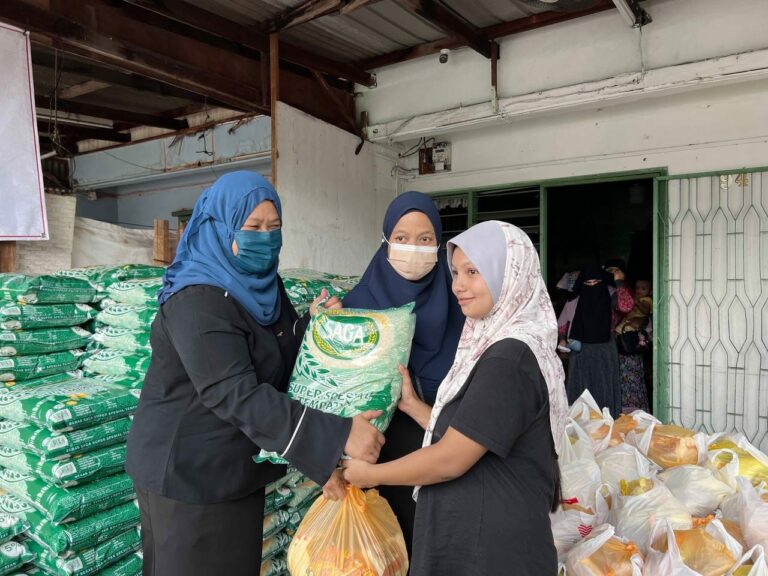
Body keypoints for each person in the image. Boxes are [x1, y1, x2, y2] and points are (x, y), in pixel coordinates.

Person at [125, 171, 384, 576]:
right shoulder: (197, 299)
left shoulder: (262, 284)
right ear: (220, 228)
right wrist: (337, 435)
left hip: (236, 464)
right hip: (188, 473)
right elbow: (234, 391)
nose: (265, 238)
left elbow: (273, 355)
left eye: (274, 227)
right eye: (252, 227)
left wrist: (309, 328)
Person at [343, 221, 569, 576]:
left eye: (473, 272)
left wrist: (370, 474)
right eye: (455, 272)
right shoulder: (501, 344)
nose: (458, 285)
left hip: (489, 552)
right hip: (484, 540)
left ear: (509, 275)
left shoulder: (509, 358)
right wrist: (415, 407)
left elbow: (451, 459)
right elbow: (481, 428)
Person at [341, 191, 464, 558]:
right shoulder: (355, 306)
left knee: (437, 550)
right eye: (402, 238)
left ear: (439, 244)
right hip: (379, 454)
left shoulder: (463, 305)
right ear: (385, 241)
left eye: (425, 240)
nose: (414, 249)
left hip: (447, 448)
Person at [558, 265, 624, 417]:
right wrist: (562, 340)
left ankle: (607, 424)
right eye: (588, 283)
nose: (592, 286)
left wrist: (620, 283)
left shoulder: (611, 294)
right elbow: (562, 324)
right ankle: (580, 424)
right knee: (581, 386)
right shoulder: (574, 300)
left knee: (605, 386)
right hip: (581, 349)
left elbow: (626, 306)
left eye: (596, 282)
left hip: (605, 349)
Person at [615, 279, 653, 412]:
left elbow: (645, 311)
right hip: (625, 340)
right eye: (637, 288)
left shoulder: (647, 301)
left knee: (632, 380)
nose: (639, 291)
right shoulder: (633, 304)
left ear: (650, 291)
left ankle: (634, 409)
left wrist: (636, 301)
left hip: (631, 345)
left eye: (643, 288)